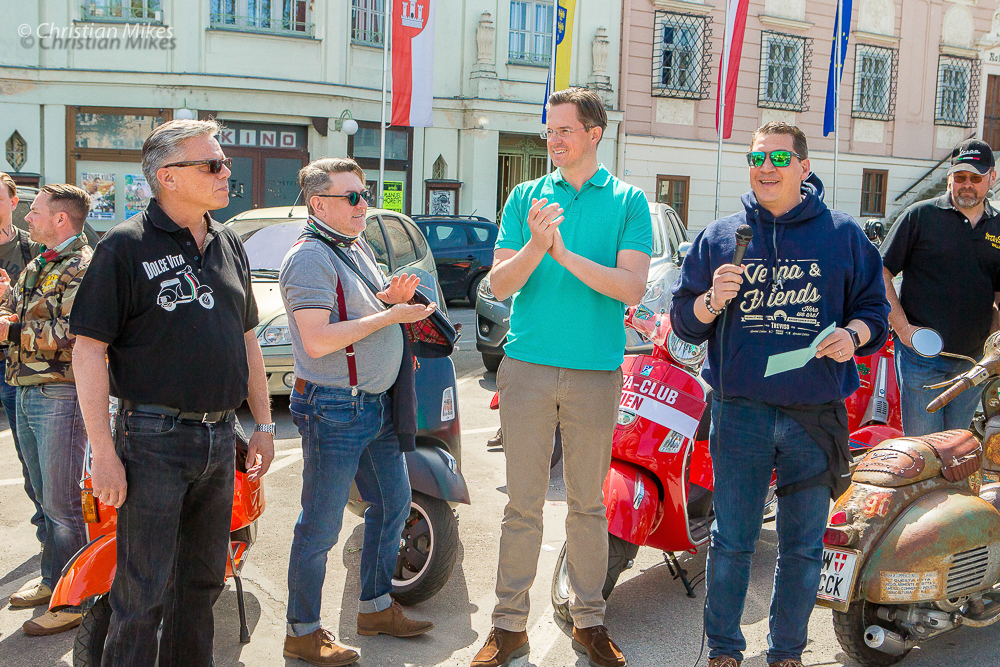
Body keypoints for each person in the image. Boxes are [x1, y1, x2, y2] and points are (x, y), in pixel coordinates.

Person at [670, 121, 889, 667]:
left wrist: (853, 336)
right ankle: (724, 651)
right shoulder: (722, 236)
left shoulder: (842, 235)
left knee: (802, 548)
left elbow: (875, 313)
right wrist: (711, 301)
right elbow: (684, 323)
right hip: (740, 414)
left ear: (804, 167)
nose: (765, 168)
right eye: (756, 158)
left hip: (813, 418)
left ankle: (786, 653)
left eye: (778, 159)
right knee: (731, 542)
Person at [69, 119, 275, 666]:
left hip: (219, 439)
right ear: (168, 176)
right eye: (213, 164)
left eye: (224, 163)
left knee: (201, 587)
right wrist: (103, 453)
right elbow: (87, 352)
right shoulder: (124, 245)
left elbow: (247, 339)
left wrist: (263, 424)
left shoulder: (228, 241)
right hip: (152, 439)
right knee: (142, 593)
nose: (226, 172)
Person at [473, 87, 652, 667]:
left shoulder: (629, 201)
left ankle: (589, 620)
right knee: (521, 505)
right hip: (525, 368)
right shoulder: (526, 195)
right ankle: (508, 626)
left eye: (564, 130)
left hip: (595, 373)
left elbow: (631, 287)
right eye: (548, 130)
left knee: (587, 507)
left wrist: (563, 254)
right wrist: (535, 245)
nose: (552, 139)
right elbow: (499, 285)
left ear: (594, 133)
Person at [280, 157, 436, 667]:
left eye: (365, 194)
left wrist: (388, 298)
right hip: (334, 408)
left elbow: (362, 308)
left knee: (393, 505)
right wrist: (390, 316)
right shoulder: (309, 258)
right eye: (352, 197)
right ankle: (302, 631)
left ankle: (374, 608)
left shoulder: (355, 245)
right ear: (318, 204)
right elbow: (317, 340)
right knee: (320, 528)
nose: (364, 205)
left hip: (373, 404)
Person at [0, 184, 91, 635]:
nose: (28, 219)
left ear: (60, 219)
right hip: (27, 388)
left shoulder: (83, 266)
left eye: (34, 211)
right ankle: (54, 581)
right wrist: (5, 305)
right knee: (44, 497)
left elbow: (77, 333)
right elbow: (21, 313)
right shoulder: (40, 262)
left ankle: (77, 598)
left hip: (61, 394)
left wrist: (11, 331)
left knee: (64, 503)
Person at [880, 139, 1000, 435]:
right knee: (925, 449)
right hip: (921, 358)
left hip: (973, 361)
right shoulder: (920, 216)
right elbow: (879, 273)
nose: (967, 184)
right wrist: (903, 330)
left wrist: (993, 346)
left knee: (956, 445)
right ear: (950, 178)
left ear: (992, 177)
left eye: (975, 178)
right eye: (960, 177)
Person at [0, 172, 44, 596]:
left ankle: (49, 536)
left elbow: (43, 308)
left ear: (13, 202)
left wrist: (8, 294)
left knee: (31, 458)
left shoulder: (33, 248)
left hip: (17, 365)